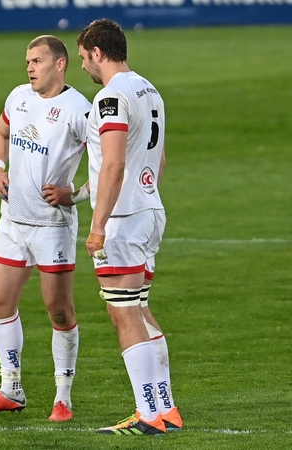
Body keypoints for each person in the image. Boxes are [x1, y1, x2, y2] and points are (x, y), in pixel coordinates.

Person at [0, 35, 91, 422]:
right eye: (27, 62)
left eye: (37, 61)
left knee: (58, 311)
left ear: (60, 64)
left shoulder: (79, 110)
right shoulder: (17, 97)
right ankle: (10, 388)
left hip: (52, 226)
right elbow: (0, 133)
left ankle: (63, 399)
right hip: (12, 220)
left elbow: (109, 162)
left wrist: (77, 194)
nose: (30, 68)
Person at [75, 18, 184, 435]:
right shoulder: (148, 89)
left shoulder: (110, 98)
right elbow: (157, 158)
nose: (84, 66)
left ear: (98, 53)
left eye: (85, 58)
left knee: (123, 312)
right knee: (138, 308)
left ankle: (148, 414)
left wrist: (98, 225)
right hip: (149, 208)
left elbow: (115, 164)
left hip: (122, 219)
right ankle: (166, 408)